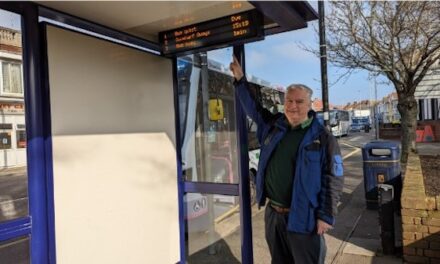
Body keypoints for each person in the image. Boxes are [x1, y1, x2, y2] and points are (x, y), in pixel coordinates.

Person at [230, 56, 344, 264]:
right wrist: (240, 80)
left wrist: (326, 215)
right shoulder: (273, 126)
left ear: (310, 104)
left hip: (305, 218)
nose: (293, 106)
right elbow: (253, 108)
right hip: (274, 214)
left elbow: (333, 178)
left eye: (299, 102)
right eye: (289, 101)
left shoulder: (323, 138)